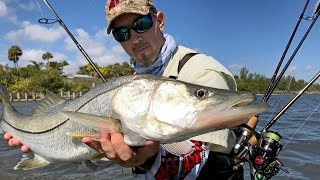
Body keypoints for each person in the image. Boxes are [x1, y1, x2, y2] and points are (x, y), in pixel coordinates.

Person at [4, 0, 244, 179]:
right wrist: (120, 157)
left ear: (159, 21)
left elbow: (198, 162)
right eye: (122, 33)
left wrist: (142, 160)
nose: (134, 38)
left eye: (141, 24)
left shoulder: (203, 72)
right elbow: (95, 155)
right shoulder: (133, 82)